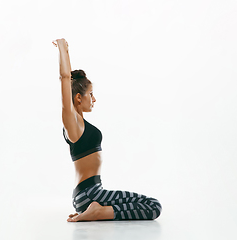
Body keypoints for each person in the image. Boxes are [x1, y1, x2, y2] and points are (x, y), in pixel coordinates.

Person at [52, 38, 162, 222]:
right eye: (91, 94)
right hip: (90, 193)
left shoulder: (79, 122)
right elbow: (65, 78)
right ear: (79, 98)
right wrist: (62, 49)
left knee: (148, 204)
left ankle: (94, 211)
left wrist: (68, 51)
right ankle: (97, 212)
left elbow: (68, 78)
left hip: (92, 193)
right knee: (154, 207)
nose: (94, 99)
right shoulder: (72, 122)